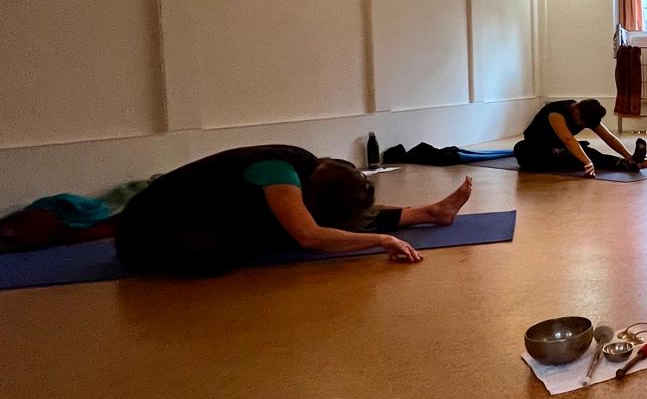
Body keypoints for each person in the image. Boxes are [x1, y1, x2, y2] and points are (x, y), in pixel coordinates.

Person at [115, 144, 473, 276]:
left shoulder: (311, 169)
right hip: (147, 234)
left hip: (205, 219)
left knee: (295, 226)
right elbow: (309, 235)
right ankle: (429, 213)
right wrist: (379, 240)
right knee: (235, 249)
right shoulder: (280, 173)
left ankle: (431, 213)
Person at [514, 98, 647, 176]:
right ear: (577, 112)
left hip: (560, 148)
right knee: (521, 149)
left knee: (590, 153)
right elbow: (568, 140)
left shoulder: (588, 115)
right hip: (537, 148)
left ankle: (626, 163)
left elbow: (609, 138)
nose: (584, 125)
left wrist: (628, 156)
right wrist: (587, 162)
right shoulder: (556, 113)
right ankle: (566, 158)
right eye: (583, 123)